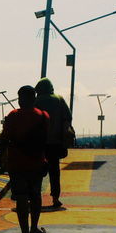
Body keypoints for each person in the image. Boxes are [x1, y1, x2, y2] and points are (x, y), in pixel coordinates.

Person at [0, 85, 49, 233]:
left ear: (21, 99)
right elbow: (46, 141)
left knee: (21, 198)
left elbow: (4, 139)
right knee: (35, 196)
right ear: (34, 99)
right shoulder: (43, 116)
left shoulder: (13, 116)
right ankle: (34, 228)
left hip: (17, 163)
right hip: (37, 162)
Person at [35, 77, 72, 209]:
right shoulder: (59, 99)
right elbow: (68, 118)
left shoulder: (36, 101)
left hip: (39, 143)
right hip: (56, 142)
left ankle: (34, 198)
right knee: (54, 172)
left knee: (36, 172)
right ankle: (55, 198)